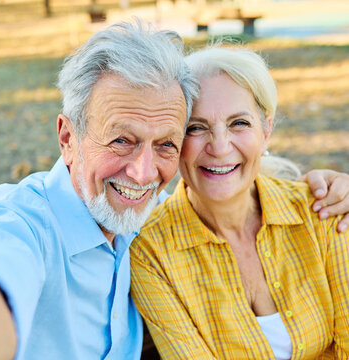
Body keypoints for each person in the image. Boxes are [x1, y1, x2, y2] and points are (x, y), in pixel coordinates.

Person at [0, 22, 348, 360]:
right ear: (68, 137)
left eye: (164, 144)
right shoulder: (25, 224)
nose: (142, 173)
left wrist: (326, 183)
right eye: (120, 139)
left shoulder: (145, 223)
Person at [130, 46, 349, 359]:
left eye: (239, 123)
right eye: (196, 127)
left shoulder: (323, 210)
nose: (219, 147)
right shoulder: (151, 252)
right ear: (173, 140)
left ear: (266, 130)